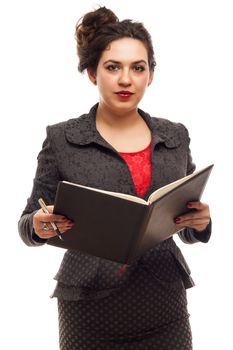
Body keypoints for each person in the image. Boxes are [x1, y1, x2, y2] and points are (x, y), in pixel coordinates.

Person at [18, 6, 211, 350]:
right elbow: (29, 222)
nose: (126, 79)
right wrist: (38, 225)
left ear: (151, 74)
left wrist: (199, 224)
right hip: (89, 309)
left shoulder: (175, 136)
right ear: (92, 73)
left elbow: (184, 218)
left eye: (138, 68)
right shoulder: (63, 138)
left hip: (164, 303)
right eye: (113, 67)